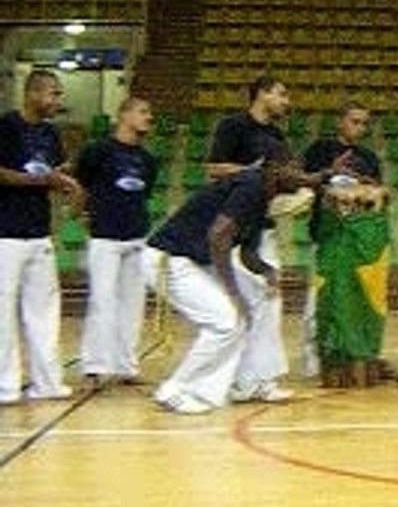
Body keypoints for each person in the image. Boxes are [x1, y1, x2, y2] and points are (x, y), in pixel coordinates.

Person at [143, 161, 307, 414]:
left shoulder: (260, 198)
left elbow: (247, 254)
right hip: (171, 259)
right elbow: (218, 236)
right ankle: (174, 389)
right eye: (295, 169)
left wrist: (267, 271)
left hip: (195, 261)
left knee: (254, 304)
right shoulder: (250, 186)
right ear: (275, 170)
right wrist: (233, 294)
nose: (300, 176)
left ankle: (241, 383)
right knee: (225, 322)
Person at [205, 75, 294, 402]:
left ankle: (259, 380)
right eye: (281, 94)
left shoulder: (277, 135)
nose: (287, 101)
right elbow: (213, 169)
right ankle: (240, 380)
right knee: (241, 304)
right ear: (262, 94)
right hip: (232, 228)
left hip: (263, 227)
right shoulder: (233, 126)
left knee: (269, 301)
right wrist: (251, 172)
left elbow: (284, 177)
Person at [301, 101, 397, 386]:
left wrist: (365, 183)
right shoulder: (319, 150)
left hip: (358, 240)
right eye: (354, 121)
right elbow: (306, 186)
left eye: (364, 123)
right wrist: (330, 173)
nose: (360, 127)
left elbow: (376, 193)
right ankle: (317, 361)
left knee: (354, 301)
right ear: (339, 122)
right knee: (320, 302)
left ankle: (357, 358)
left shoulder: (368, 156)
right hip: (328, 233)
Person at [0, 69, 81, 404]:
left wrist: (65, 182)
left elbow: (54, 173)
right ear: (32, 93)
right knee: (2, 313)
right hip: (5, 234)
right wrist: (44, 180)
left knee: (44, 311)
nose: (57, 101)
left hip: (39, 232)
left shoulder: (50, 134)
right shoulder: (5, 126)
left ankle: (46, 383)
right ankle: (5, 385)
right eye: (53, 94)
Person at [75, 96, 158, 386]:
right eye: (143, 111)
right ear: (124, 115)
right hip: (104, 237)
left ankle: (126, 365)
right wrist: (83, 215)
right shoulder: (97, 151)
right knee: (102, 300)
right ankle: (94, 365)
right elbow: (79, 186)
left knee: (133, 304)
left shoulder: (148, 159)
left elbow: (143, 195)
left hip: (136, 236)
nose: (149, 117)